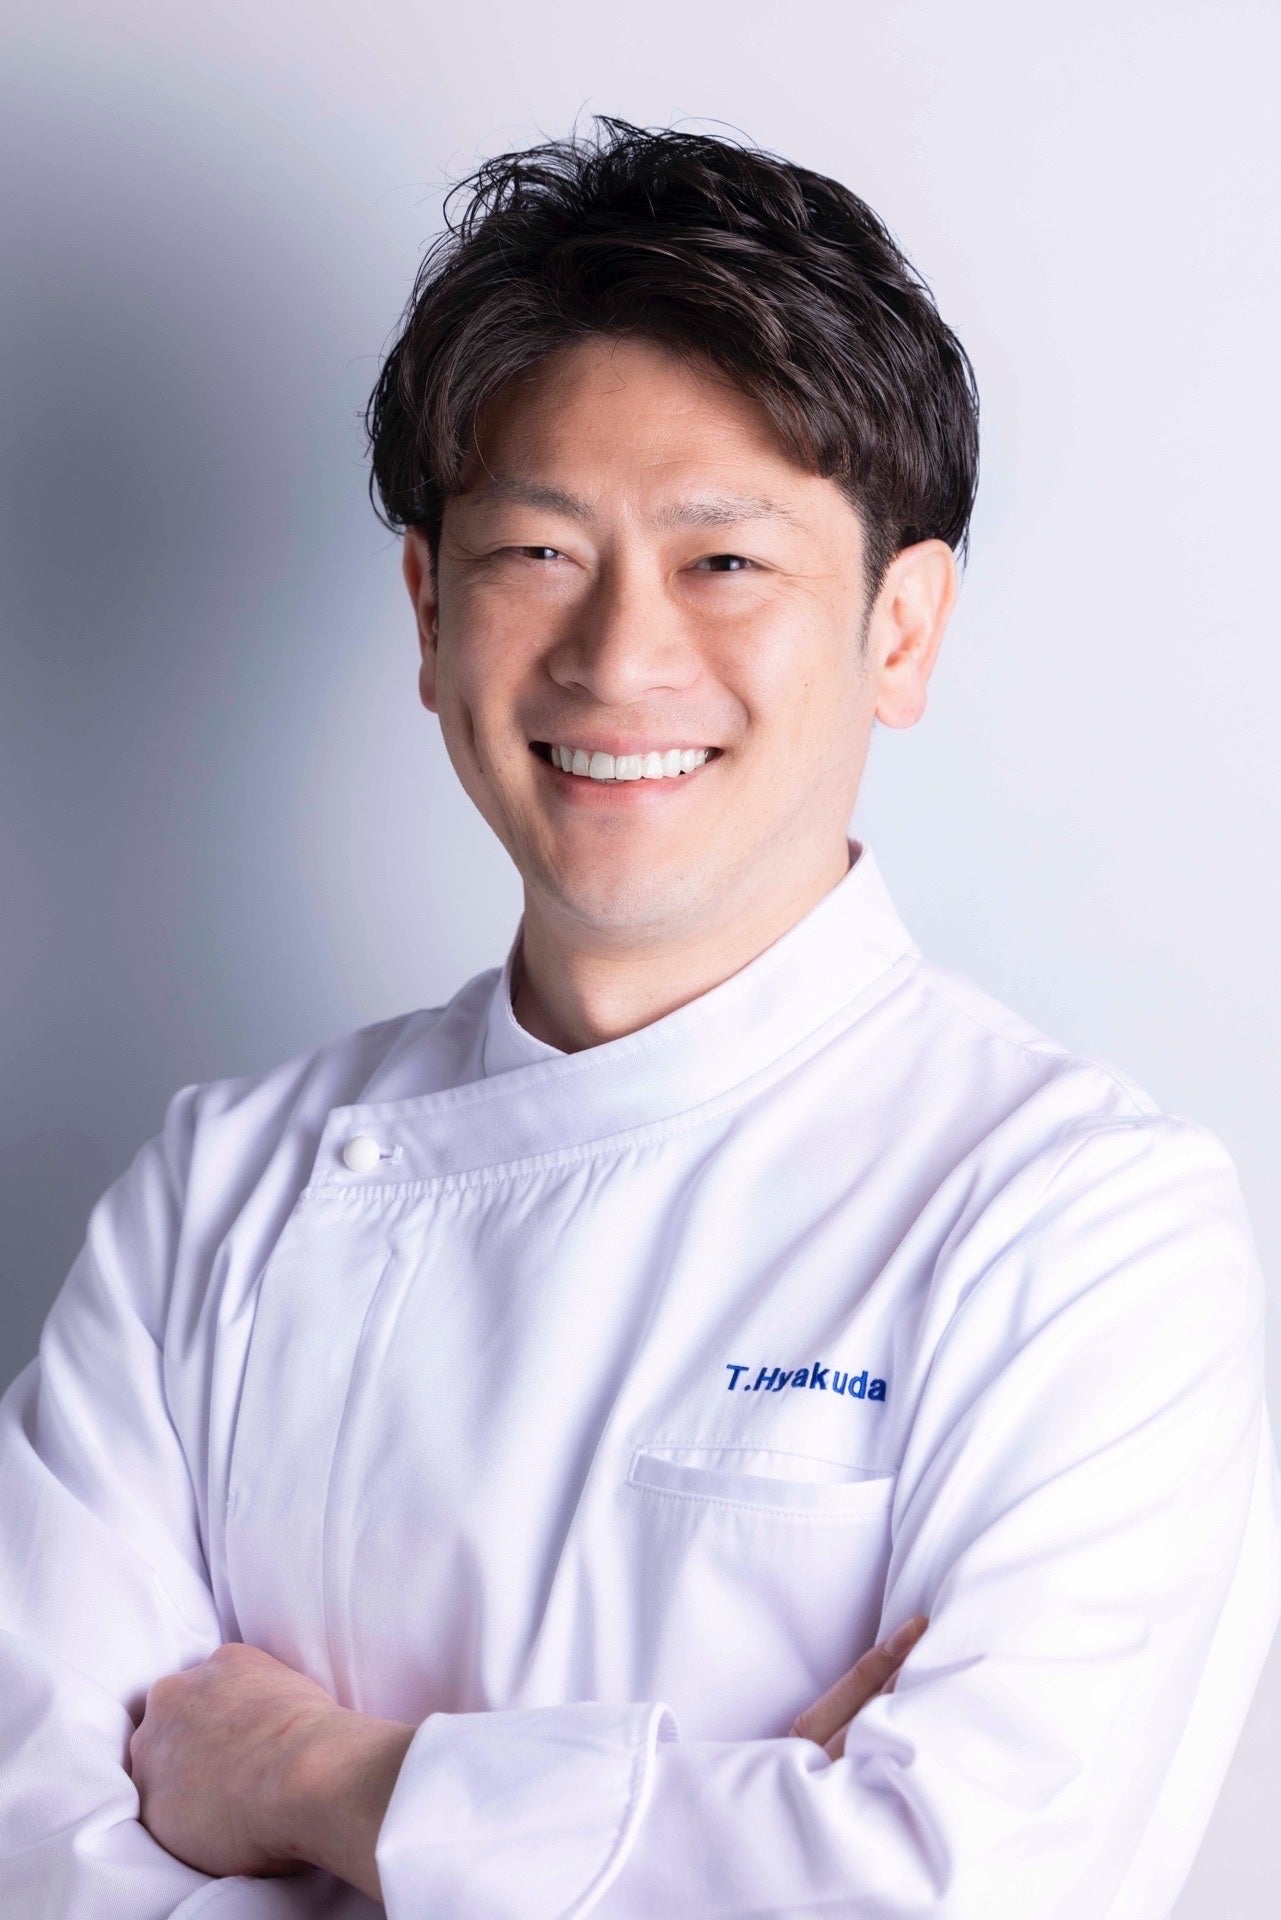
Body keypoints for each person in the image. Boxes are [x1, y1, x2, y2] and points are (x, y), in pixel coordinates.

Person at [1, 114, 1278, 1920]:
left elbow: (966, 1890)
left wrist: (317, 1783)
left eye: (722, 562)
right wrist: (718, 1834)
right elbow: (31, 1845)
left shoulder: (1077, 1227)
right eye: (537, 552)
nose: (616, 658)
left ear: (901, 630)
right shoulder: (218, 1199)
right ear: (428, 612)